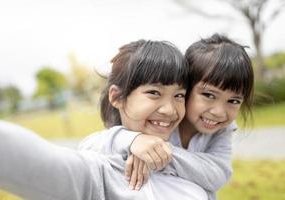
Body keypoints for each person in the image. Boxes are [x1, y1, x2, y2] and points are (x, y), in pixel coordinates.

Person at [0, 40, 208, 200]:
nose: (170, 110)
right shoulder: (99, 175)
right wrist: (126, 139)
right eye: (154, 93)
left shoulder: (192, 163)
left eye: (179, 95)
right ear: (117, 97)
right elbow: (22, 156)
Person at [89, 34, 254, 200]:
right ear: (189, 88)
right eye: (209, 95)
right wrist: (133, 140)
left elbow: (218, 174)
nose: (219, 111)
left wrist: (158, 153)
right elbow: (90, 148)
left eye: (233, 100)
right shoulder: (155, 123)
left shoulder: (222, 129)